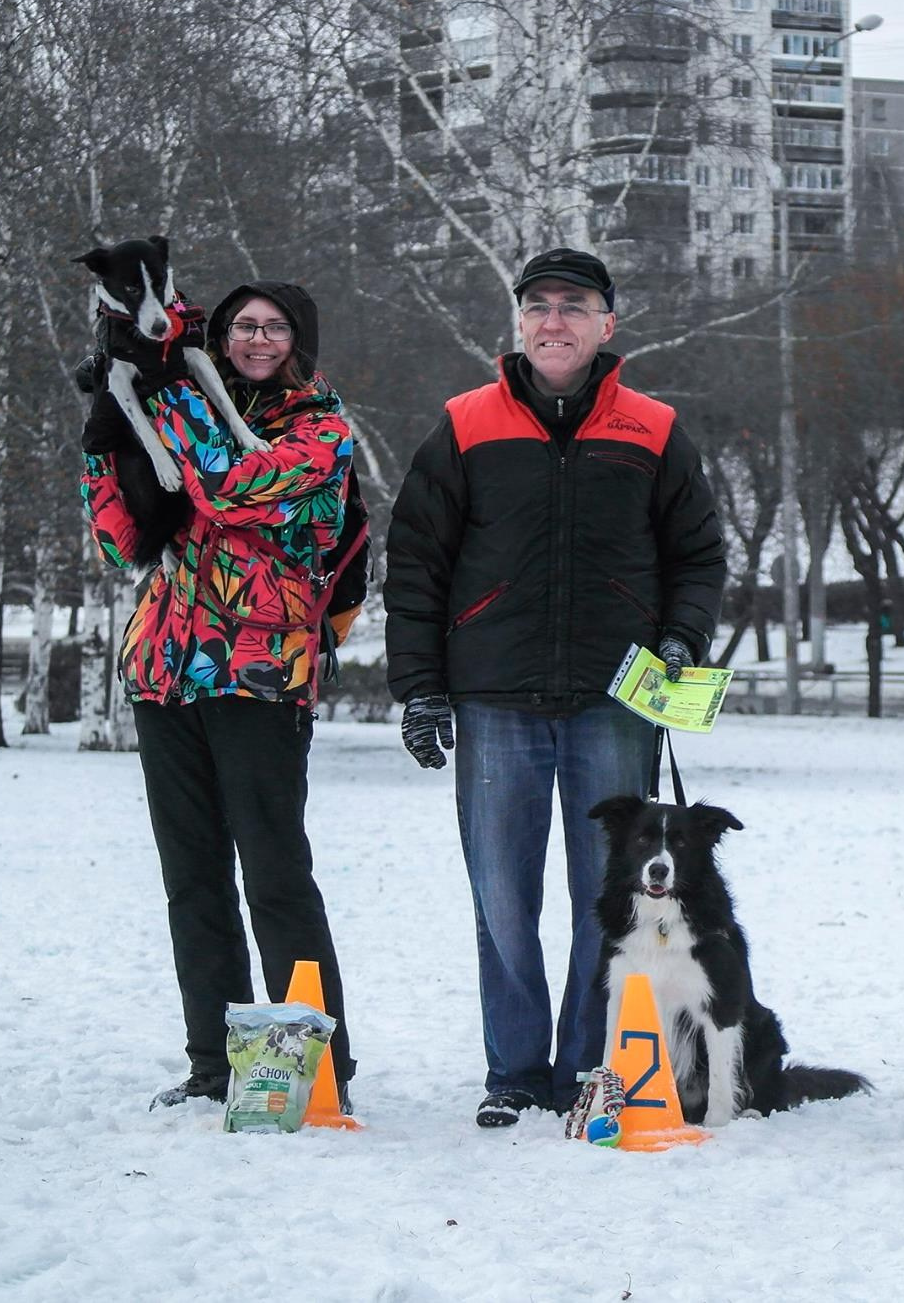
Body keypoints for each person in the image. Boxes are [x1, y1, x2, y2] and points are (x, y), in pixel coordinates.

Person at [384, 248, 726, 1128]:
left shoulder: (651, 427)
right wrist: (421, 686)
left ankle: (587, 1065)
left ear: (608, 323)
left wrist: (683, 637)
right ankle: (514, 1069)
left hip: (615, 699)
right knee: (502, 894)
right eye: (539, 306)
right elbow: (417, 564)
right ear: (520, 323)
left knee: (605, 898)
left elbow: (697, 553)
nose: (554, 321)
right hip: (494, 695)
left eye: (574, 306)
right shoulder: (465, 424)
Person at [80, 280, 361, 1111]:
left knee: (275, 876)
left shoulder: (320, 432)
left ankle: (312, 1067)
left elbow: (229, 485)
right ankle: (217, 1064)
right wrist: (107, 426)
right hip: (164, 673)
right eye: (243, 325)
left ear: (300, 340)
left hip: (259, 674)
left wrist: (168, 393)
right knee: (192, 880)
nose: (258, 339)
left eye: (276, 327)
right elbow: (120, 538)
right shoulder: (178, 412)